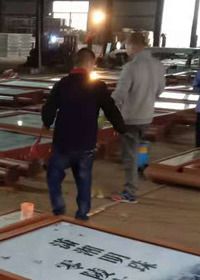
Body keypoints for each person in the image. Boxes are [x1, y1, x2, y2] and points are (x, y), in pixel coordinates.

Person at [41, 47, 126, 221]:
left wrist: (47, 122)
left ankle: (58, 209)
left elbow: (49, 107)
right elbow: (111, 110)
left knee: (53, 176)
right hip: (86, 143)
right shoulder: (98, 86)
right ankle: (82, 214)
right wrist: (122, 128)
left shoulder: (62, 84)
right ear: (89, 64)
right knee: (83, 179)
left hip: (63, 141)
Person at [110, 31, 166, 203]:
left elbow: (120, 94)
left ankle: (130, 192)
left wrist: (105, 106)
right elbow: (160, 90)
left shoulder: (131, 67)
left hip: (131, 117)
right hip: (147, 115)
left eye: (126, 46)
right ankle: (139, 173)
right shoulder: (158, 65)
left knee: (129, 154)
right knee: (136, 147)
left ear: (131, 46)